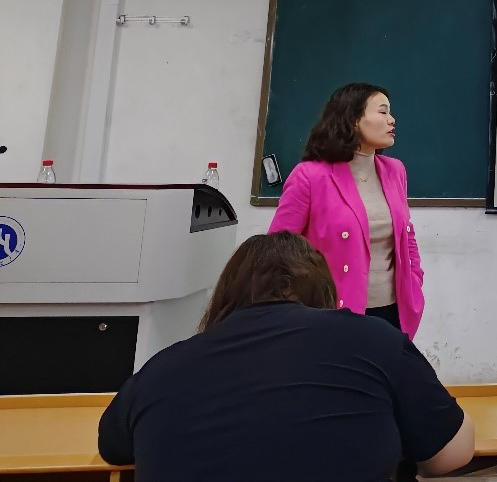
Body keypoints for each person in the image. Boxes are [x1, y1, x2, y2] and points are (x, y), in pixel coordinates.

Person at [97, 232, 473, 481]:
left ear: (226, 295)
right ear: (323, 289)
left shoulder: (163, 368)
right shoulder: (374, 339)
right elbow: (450, 453)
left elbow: (113, 451)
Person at [270, 82, 425, 337]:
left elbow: (406, 236)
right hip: (332, 312)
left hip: (394, 310)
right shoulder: (310, 175)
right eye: (383, 112)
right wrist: (296, 302)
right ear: (353, 120)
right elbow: (279, 248)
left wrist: (415, 279)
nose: (392, 120)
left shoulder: (394, 170)